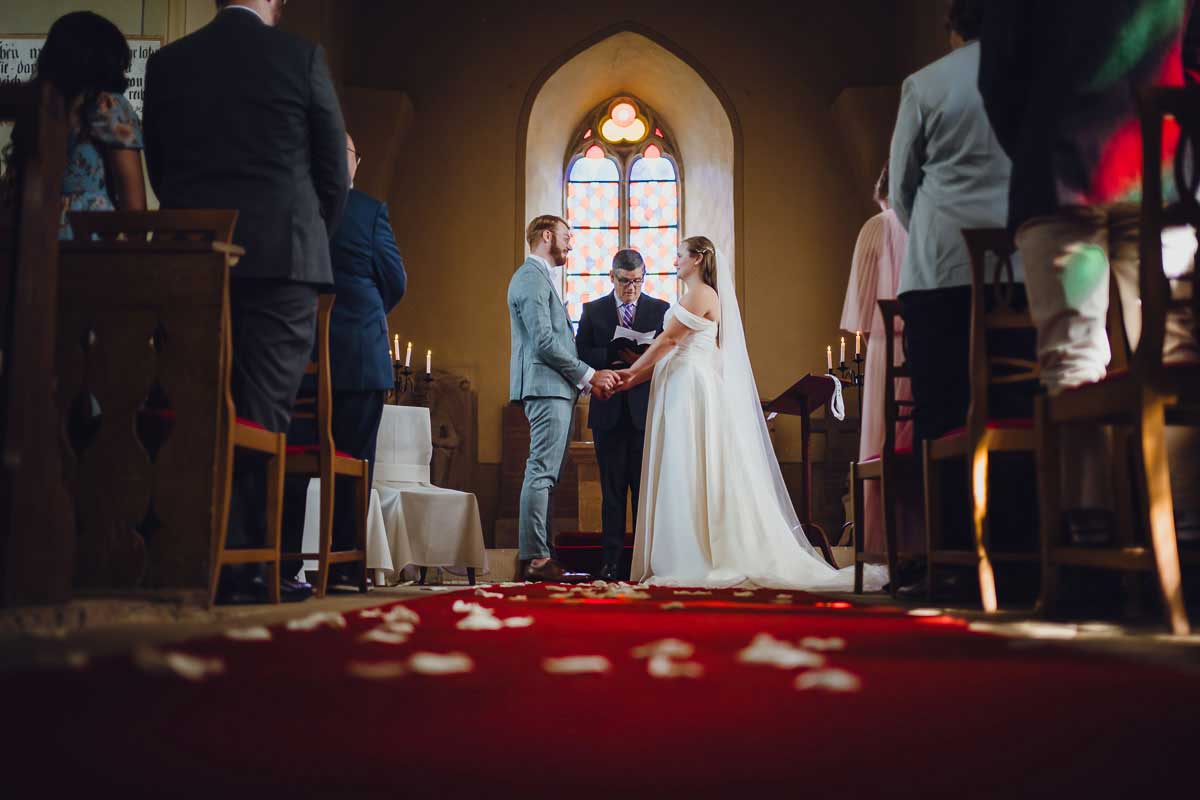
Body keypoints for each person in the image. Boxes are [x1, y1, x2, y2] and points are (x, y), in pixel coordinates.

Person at [143, 0, 349, 602]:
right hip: (282, 260)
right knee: (261, 412)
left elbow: (161, 168)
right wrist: (308, 234)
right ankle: (241, 565)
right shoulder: (301, 56)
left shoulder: (169, 63)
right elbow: (332, 172)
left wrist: (196, 227)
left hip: (196, 254)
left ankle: (190, 555)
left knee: (193, 401)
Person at [979, 0, 1200, 543]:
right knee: (1176, 353)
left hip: (1059, 172)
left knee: (1073, 355)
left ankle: (1088, 535)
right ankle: (1189, 531)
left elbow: (1000, 79)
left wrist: (1038, 140)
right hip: (1163, 171)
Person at [614, 237, 885, 590]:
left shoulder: (702, 294)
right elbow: (666, 349)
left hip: (690, 390)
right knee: (682, 466)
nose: (675, 260)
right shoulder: (692, 295)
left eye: (680, 255)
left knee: (688, 464)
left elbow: (667, 342)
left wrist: (630, 375)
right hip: (678, 384)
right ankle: (688, 546)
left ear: (697, 259)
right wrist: (632, 380)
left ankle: (694, 553)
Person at [281, 133, 406, 584]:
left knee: (289, 466)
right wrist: (361, 316)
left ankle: (283, 565)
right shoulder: (368, 211)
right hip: (358, 359)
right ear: (351, 165)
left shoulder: (288, 206)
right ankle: (343, 568)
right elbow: (395, 280)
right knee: (354, 467)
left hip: (293, 361)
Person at [508, 215, 621, 583]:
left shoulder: (540, 278)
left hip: (555, 387)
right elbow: (544, 341)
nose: (571, 244)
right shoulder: (529, 277)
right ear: (546, 236)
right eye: (566, 237)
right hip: (545, 387)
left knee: (547, 473)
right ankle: (537, 557)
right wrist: (588, 375)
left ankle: (541, 553)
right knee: (541, 471)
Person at [839, 163, 921, 564]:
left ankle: (885, 547)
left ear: (882, 194)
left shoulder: (878, 225)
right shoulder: (932, 225)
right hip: (933, 346)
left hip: (888, 346)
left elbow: (863, 313)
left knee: (886, 439)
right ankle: (927, 543)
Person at [3, 11, 147, 239]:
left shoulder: (38, 106)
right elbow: (135, 208)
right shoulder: (108, 105)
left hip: (28, 240)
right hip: (88, 243)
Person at [575, 249, 669, 581]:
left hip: (645, 411)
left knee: (644, 492)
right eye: (625, 281)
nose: (632, 287)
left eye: (638, 281)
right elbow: (580, 352)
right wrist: (609, 353)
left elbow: (669, 356)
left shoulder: (660, 310)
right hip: (608, 410)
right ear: (611, 277)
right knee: (612, 493)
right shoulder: (594, 310)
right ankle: (611, 563)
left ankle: (647, 561)